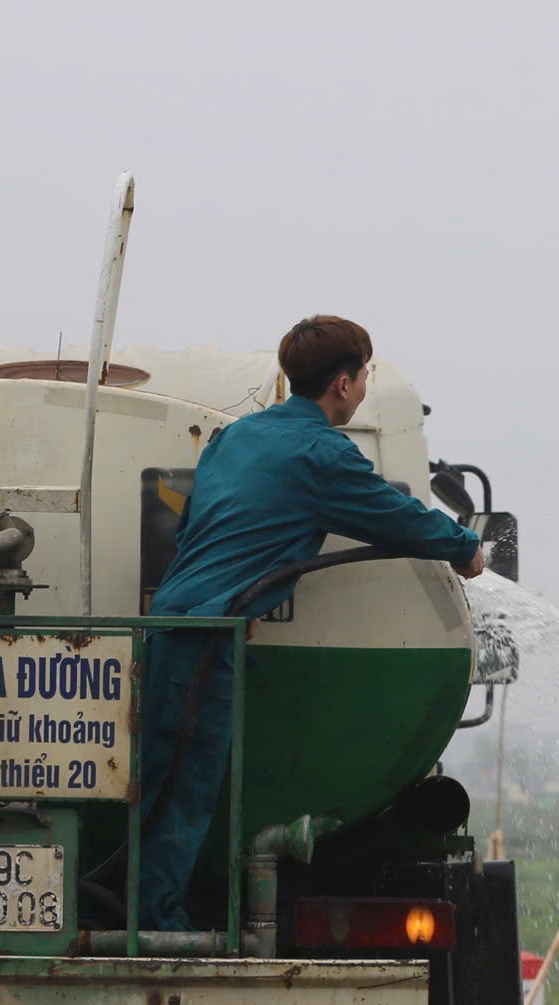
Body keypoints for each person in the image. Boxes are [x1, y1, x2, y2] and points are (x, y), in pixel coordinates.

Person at [130, 316, 486, 931]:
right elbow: (394, 514)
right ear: (343, 384)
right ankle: (159, 924)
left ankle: (142, 911)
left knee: (159, 780)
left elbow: (192, 532)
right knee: (186, 790)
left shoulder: (235, 438)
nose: (367, 387)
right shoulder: (322, 454)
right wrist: (463, 547)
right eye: (366, 375)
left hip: (173, 623)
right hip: (210, 636)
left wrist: (245, 597)